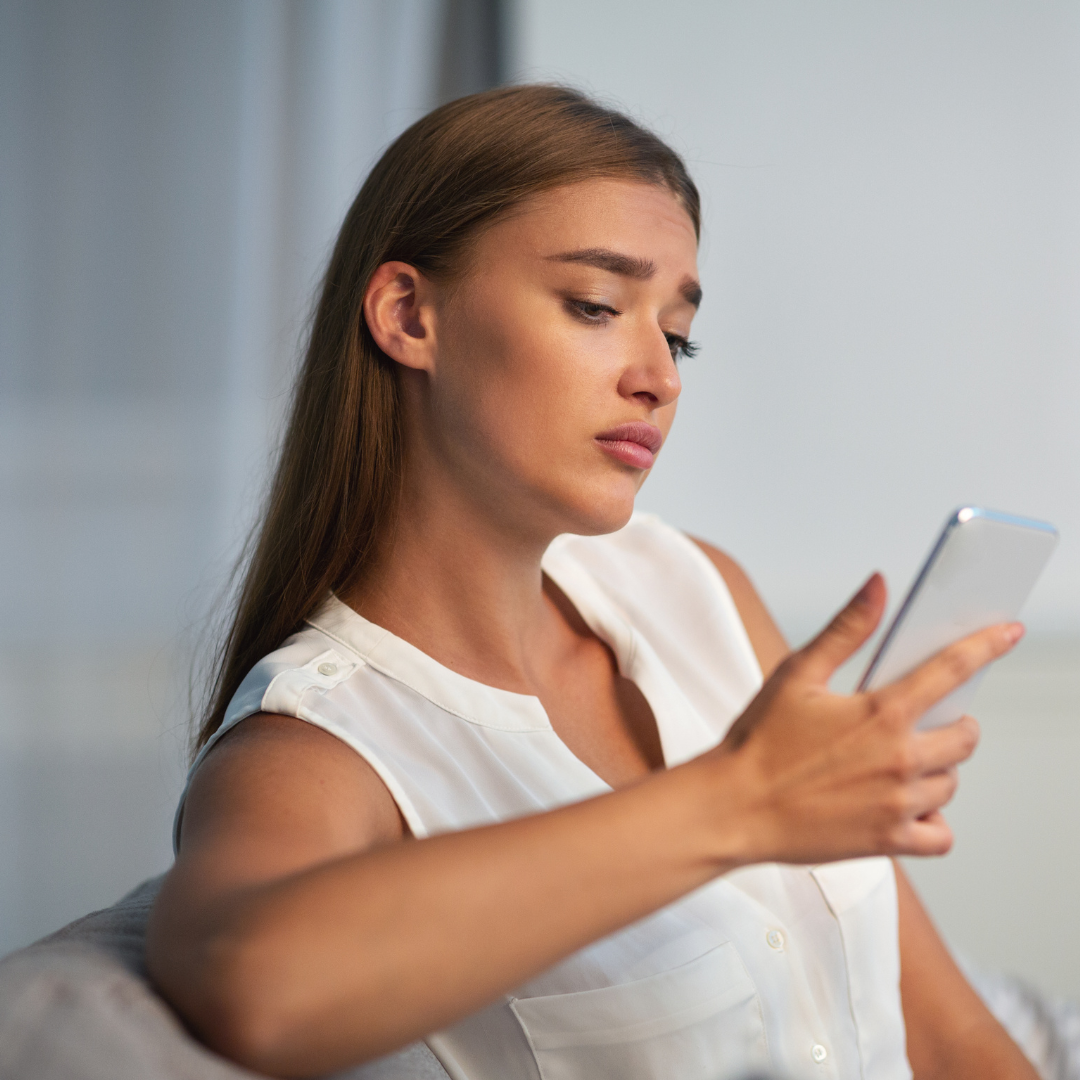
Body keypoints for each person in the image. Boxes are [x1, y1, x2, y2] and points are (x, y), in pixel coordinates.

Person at [146, 86, 1037, 1080]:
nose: (662, 377)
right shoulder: (318, 741)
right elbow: (251, 982)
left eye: (679, 331)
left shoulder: (694, 588)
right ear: (408, 315)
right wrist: (734, 804)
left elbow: (953, 1037)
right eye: (597, 308)